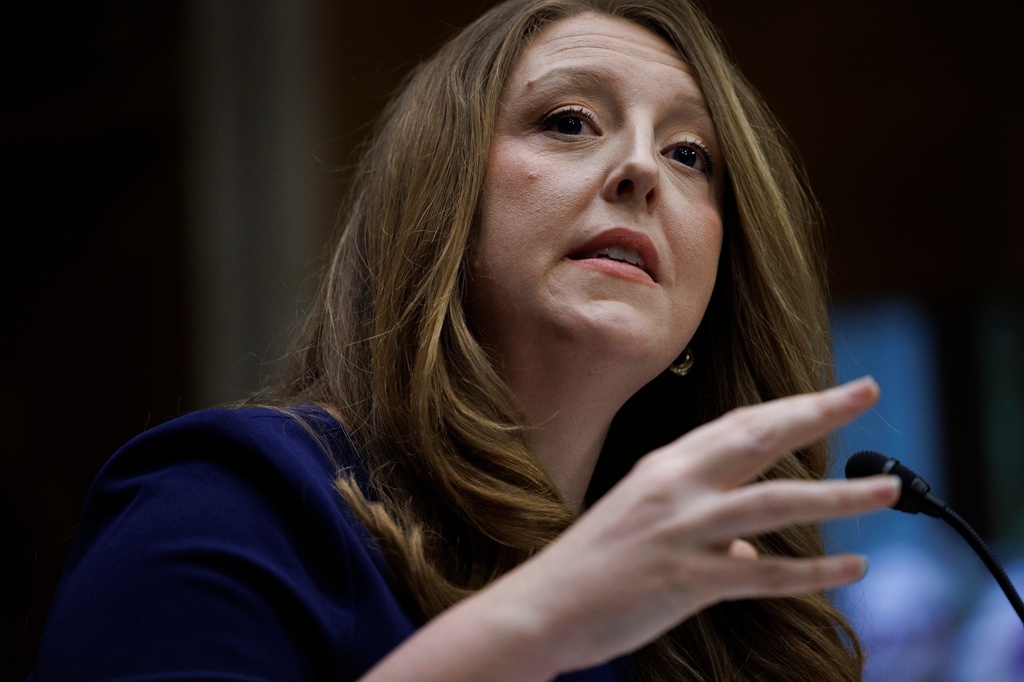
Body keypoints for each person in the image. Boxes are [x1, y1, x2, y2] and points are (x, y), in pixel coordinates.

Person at [29, 0, 901, 680]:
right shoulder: (233, 501)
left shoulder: (713, 626)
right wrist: (539, 620)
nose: (641, 169)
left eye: (689, 155)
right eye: (568, 121)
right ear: (438, 203)